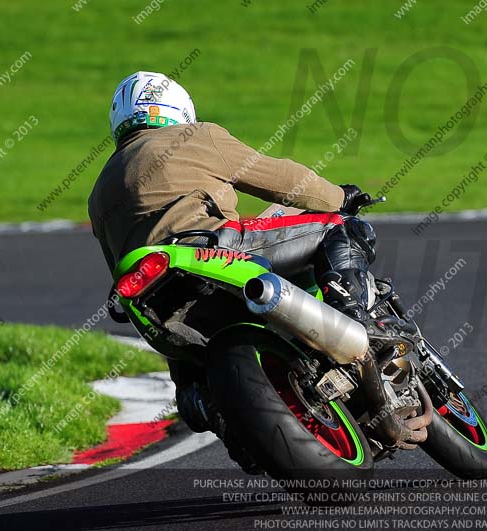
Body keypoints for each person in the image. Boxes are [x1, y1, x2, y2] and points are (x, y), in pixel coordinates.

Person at [88, 72, 385, 469]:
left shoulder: (99, 191)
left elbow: (117, 260)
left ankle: (215, 413)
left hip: (151, 291)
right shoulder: (196, 136)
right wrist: (339, 196)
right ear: (181, 110)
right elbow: (282, 180)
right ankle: (354, 316)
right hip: (214, 250)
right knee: (339, 226)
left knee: (188, 368)